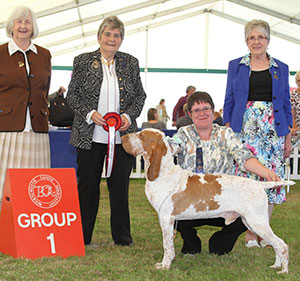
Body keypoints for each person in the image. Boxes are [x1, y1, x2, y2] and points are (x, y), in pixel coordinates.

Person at [167, 91, 281, 256]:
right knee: (172, 208)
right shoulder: (183, 133)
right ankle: (191, 244)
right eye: (196, 110)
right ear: (190, 114)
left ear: (213, 112)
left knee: (247, 212)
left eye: (206, 108)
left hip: (223, 201)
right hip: (191, 201)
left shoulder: (225, 134)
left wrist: (267, 173)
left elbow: (245, 158)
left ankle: (220, 242)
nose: (202, 113)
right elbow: (171, 147)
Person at [66, 16, 146, 246]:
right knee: (87, 187)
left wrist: (127, 117)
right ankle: (82, 236)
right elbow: (73, 96)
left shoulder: (130, 63)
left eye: (117, 35)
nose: (112, 39)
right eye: (108, 34)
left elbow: (139, 96)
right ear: (99, 36)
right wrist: (91, 114)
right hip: (89, 135)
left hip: (122, 138)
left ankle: (122, 237)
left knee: (120, 188)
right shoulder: (82, 61)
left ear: (121, 39)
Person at [223, 19, 292, 248]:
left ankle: (264, 233)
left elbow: (285, 104)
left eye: (260, 37)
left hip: (273, 131)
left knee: (270, 180)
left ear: (268, 40)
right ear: (246, 41)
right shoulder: (236, 65)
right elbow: (229, 100)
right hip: (245, 130)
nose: (256, 41)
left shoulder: (281, 67)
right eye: (252, 37)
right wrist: (229, 131)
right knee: (246, 182)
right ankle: (250, 234)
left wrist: (287, 138)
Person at [0, 6, 51, 201]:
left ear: (33, 27)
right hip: (7, 130)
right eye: (18, 22)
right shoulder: (1, 53)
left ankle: (30, 228)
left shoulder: (45, 55)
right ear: (11, 26)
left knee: (34, 184)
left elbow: (44, 90)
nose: (23, 26)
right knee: (5, 185)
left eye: (27, 22)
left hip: (37, 130)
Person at [290, 70, 300, 136]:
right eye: (299, 80)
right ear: (296, 82)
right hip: (298, 130)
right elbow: (291, 113)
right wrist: (294, 127)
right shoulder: (293, 94)